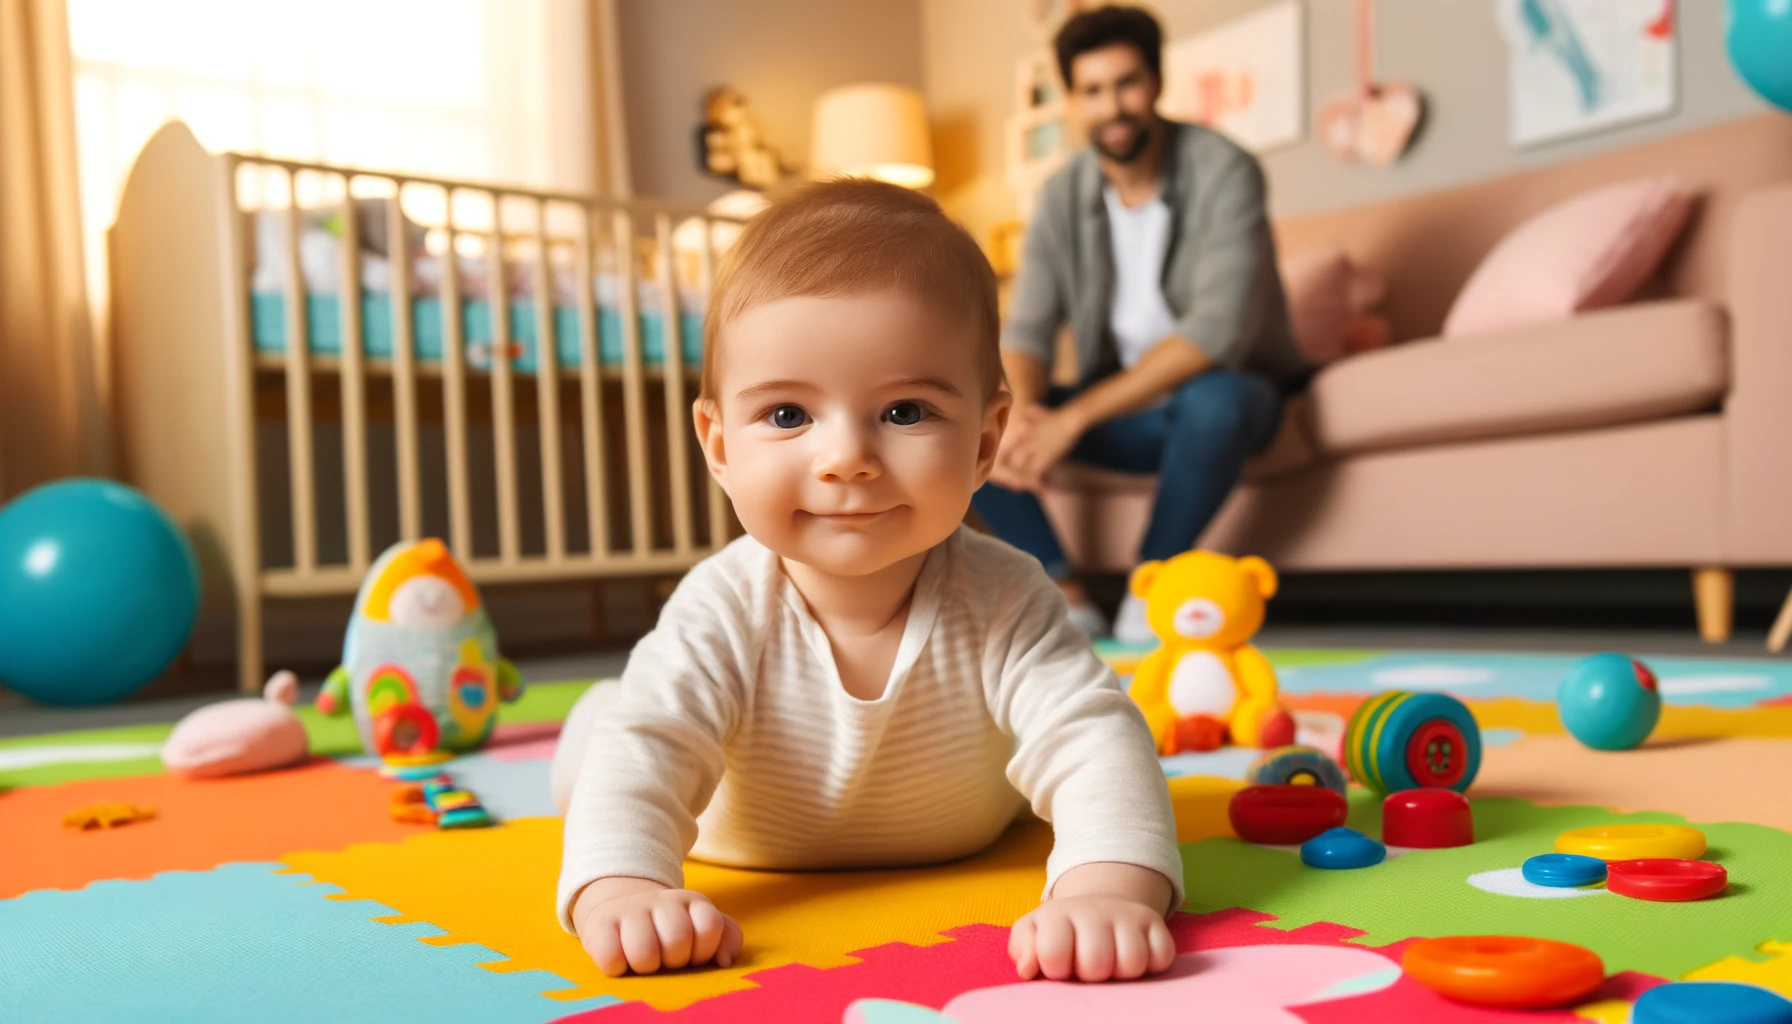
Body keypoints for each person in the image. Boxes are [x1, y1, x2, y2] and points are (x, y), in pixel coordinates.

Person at [551, 179, 1183, 984]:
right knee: (608, 746)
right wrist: (624, 891)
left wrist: (1106, 890)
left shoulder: (1009, 596)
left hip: (959, 822)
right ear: (718, 445)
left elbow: (1096, 740)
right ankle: (587, 719)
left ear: (987, 443)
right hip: (733, 833)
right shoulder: (721, 607)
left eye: (905, 412)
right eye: (787, 415)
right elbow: (647, 754)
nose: (846, 456)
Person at [977, 5, 1308, 644]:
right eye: (1092, 91)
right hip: (1128, 415)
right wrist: (1016, 409)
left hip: (1227, 401)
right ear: (1073, 100)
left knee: (1218, 399)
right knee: (969, 416)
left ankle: (1149, 588)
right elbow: (1027, 333)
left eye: (1127, 83)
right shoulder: (1058, 197)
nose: (1112, 107)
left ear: (1156, 82)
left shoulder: (1226, 170)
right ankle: (1063, 593)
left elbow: (1217, 333)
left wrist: (1071, 419)